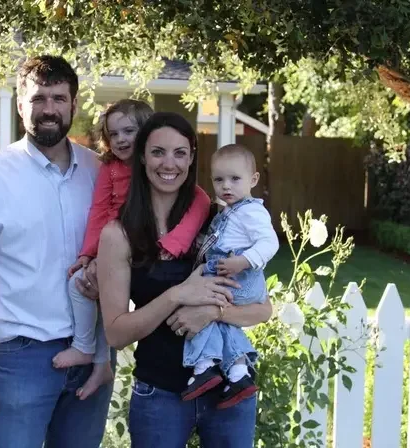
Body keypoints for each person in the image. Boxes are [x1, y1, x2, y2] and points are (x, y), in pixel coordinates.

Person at [0, 55, 112, 448]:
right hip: (23, 361)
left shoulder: (100, 174)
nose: (48, 110)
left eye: (58, 99)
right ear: (20, 104)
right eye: (38, 99)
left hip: (92, 357)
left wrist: (104, 355)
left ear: (74, 104)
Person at [96, 112, 273, 447]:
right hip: (159, 394)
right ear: (143, 157)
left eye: (180, 153)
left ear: (192, 158)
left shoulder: (220, 220)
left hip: (229, 392)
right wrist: (177, 295)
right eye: (158, 152)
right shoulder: (119, 234)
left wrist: (212, 312)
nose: (169, 163)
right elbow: (116, 333)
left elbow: (263, 310)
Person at [53, 99, 211, 400]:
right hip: (157, 383)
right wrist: (91, 253)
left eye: (129, 131)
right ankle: (92, 355)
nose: (122, 139)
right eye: (114, 134)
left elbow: (255, 303)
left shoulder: (202, 207)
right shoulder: (111, 172)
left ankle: (98, 362)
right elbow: (100, 210)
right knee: (84, 286)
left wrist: (174, 246)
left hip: (216, 382)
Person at [180, 144, 279, 406]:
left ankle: (204, 366)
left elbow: (270, 243)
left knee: (200, 304)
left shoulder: (252, 211)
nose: (227, 186)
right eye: (219, 179)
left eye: (235, 179)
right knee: (223, 321)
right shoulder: (230, 211)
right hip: (235, 278)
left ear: (253, 180)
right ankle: (238, 374)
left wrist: (242, 262)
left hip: (240, 279)